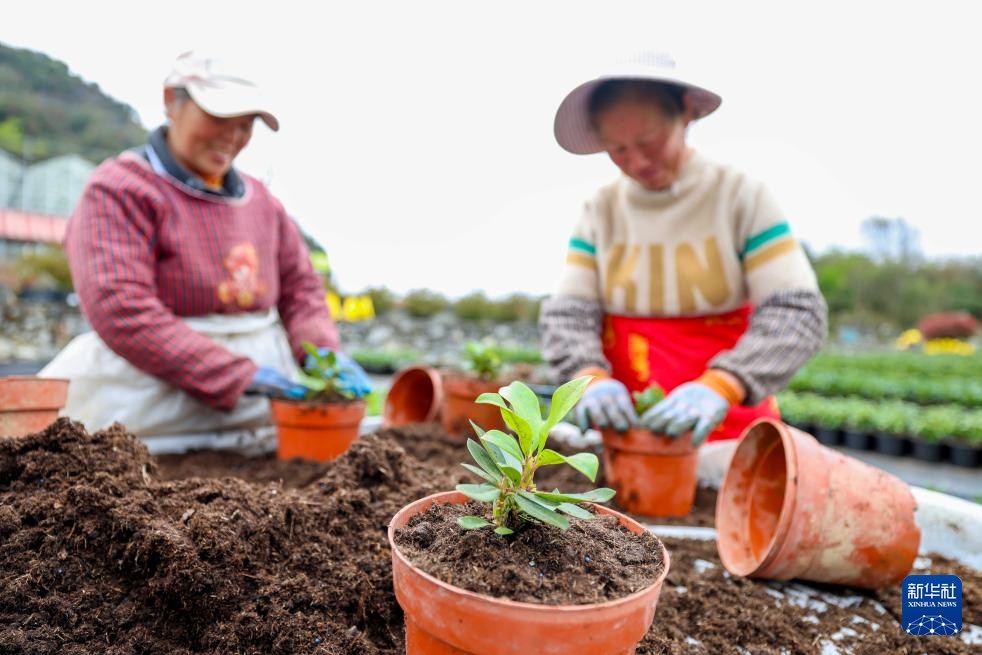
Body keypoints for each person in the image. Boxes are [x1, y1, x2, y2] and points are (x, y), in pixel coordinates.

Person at [40, 51, 370, 447]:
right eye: (218, 118)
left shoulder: (262, 203)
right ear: (170, 101)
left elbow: (301, 288)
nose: (232, 136)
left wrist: (321, 351)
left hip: (258, 410)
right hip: (146, 402)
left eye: (246, 124)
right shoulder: (121, 189)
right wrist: (236, 375)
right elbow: (121, 307)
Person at [540, 52, 827, 445]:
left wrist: (723, 385)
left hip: (727, 430)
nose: (636, 161)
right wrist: (589, 377)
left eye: (649, 141)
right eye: (617, 149)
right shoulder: (600, 211)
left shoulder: (739, 196)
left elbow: (797, 312)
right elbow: (567, 315)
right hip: (626, 431)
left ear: (687, 113)